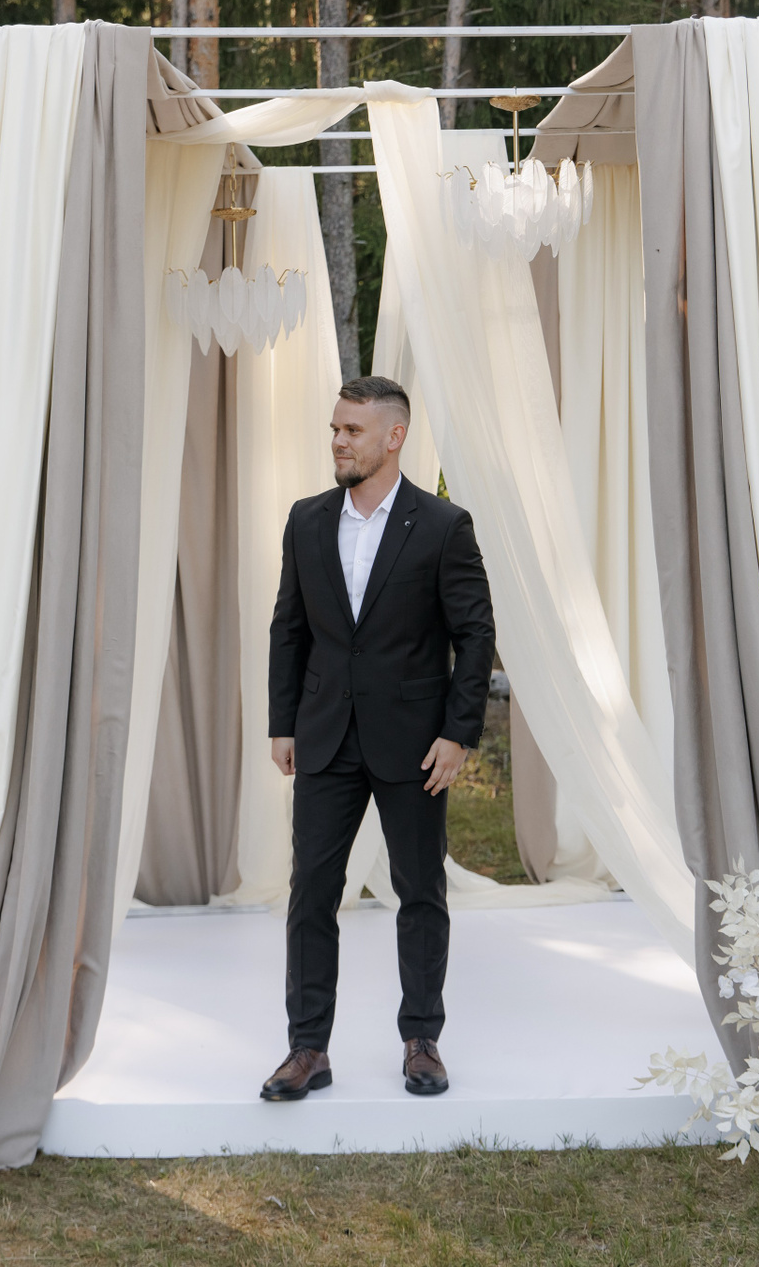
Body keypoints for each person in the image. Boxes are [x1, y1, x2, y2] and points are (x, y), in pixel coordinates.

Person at [260, 375, 496, 1102]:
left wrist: (458, 733)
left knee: (419, 891)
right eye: (335, 428)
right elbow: (288, 627)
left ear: (394, 437)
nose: (338, 440)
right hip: (325, 737)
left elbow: (474, 634)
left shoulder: (443, 525)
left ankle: (422, 1040)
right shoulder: (306, 519)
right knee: (311, 894)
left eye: (352, 430)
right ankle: (307, 1048)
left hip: (414, 743)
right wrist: (283, 721)